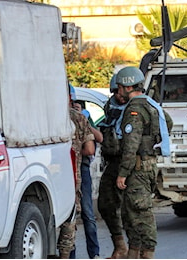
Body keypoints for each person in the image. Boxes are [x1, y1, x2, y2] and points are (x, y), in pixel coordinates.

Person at [115, 66, 171, 259]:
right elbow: (168, 122)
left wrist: (123, 172)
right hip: (147, 165)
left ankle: (146, 255)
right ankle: (134, 254)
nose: (119, 90)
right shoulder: (151, 104)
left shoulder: (135, 110)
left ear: (127, 87)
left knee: (141, 215)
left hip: (137, 169)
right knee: (130, 214)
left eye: (120, 87)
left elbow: (131, 144)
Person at [57, 84, 96, 259]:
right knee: (70, 220)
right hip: (72, 177)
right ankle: (68, 256)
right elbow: (90, 149)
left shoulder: (46, 118)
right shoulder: (78, 118)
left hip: (47, 176)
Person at [96, 74, 129, 259]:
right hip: (113, 161)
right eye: (115, 91)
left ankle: (136, 250)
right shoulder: (111, 106)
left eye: (121, 90)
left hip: (130, 161)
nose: (119, 95)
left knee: (131, 208)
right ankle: (120, 246)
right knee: (105, 204)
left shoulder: (140, 106)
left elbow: (165, 124)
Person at [72, 99, 103, 259]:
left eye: (78, 107)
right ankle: (92, 253)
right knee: (83, 213)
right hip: (76, 169)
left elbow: (98, 139)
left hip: (77, 168)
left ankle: (92, 252)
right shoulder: (73, 119)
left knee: (82, 214)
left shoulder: (83, 120)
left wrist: (85, 122)